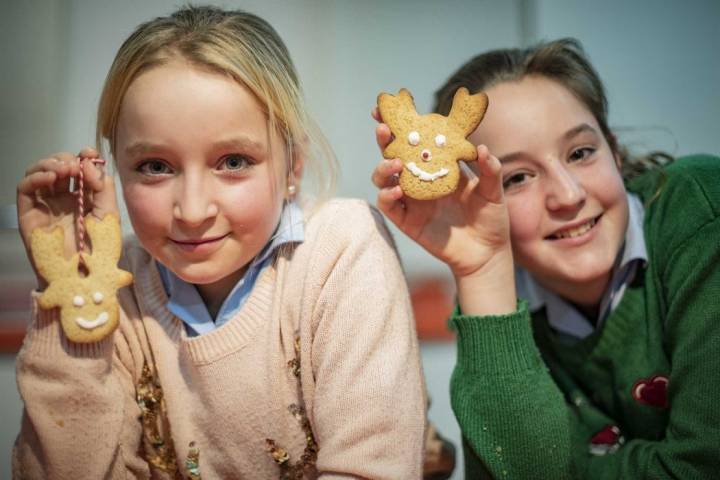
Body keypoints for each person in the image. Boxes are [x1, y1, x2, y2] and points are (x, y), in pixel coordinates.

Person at [14, 6, 426, 478]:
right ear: (116, 169)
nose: (192, 211)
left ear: (292, 166)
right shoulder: (117, 287)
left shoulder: (343, 249)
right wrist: (74, 297)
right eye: (155, 166)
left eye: (232, 162)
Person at [372, 38, 720, 478]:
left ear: (613, 149)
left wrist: (572, 467)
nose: (568, 195)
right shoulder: (495, 303)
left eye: (580, 153)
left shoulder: (703, 209)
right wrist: (481, 270)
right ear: (472, 198)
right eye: (517, 178)